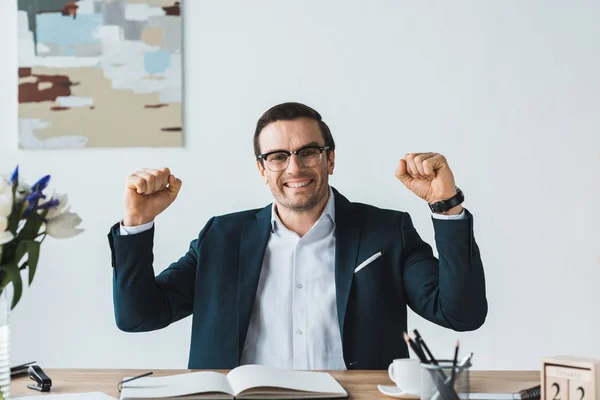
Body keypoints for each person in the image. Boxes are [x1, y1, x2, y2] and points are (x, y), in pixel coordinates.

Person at [108, 102, 487, 370]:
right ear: (262, 168)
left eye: (308, 152)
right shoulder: (221, 237)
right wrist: (136, 225)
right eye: (277, 156)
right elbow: (138, 316)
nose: (294, 167)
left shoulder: (387, 232)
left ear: (330, 159)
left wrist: (446, 206)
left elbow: (461, 313)